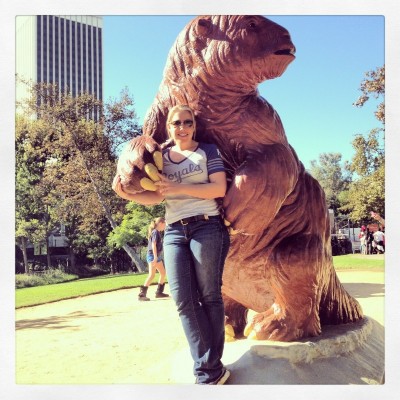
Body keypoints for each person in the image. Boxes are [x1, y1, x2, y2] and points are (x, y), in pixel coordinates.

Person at [112, 104, 231, 385]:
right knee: (183, 300)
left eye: (187, 122)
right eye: (176, 123)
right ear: (169, 127)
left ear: (194, 125)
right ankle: (211, 369)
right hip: (175, 231)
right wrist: (128, 196)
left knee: (209, 296)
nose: (182, 127)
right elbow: (158, 197)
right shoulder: (161, 155)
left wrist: (178, 187)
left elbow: (219, 188)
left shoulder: (207, 151)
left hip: (207, 225)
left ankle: (208, 372)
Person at [138, 217, 169, 301]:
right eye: (164, 224)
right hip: (152, 256)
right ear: (160, 223)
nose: (165, 227)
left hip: (156, 256)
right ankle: (141, 295)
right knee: (152, 275)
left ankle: (159, 292)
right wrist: (155, 257)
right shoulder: (155, 232)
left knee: (163, 273)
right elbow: (153, 244)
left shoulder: (157, 232)